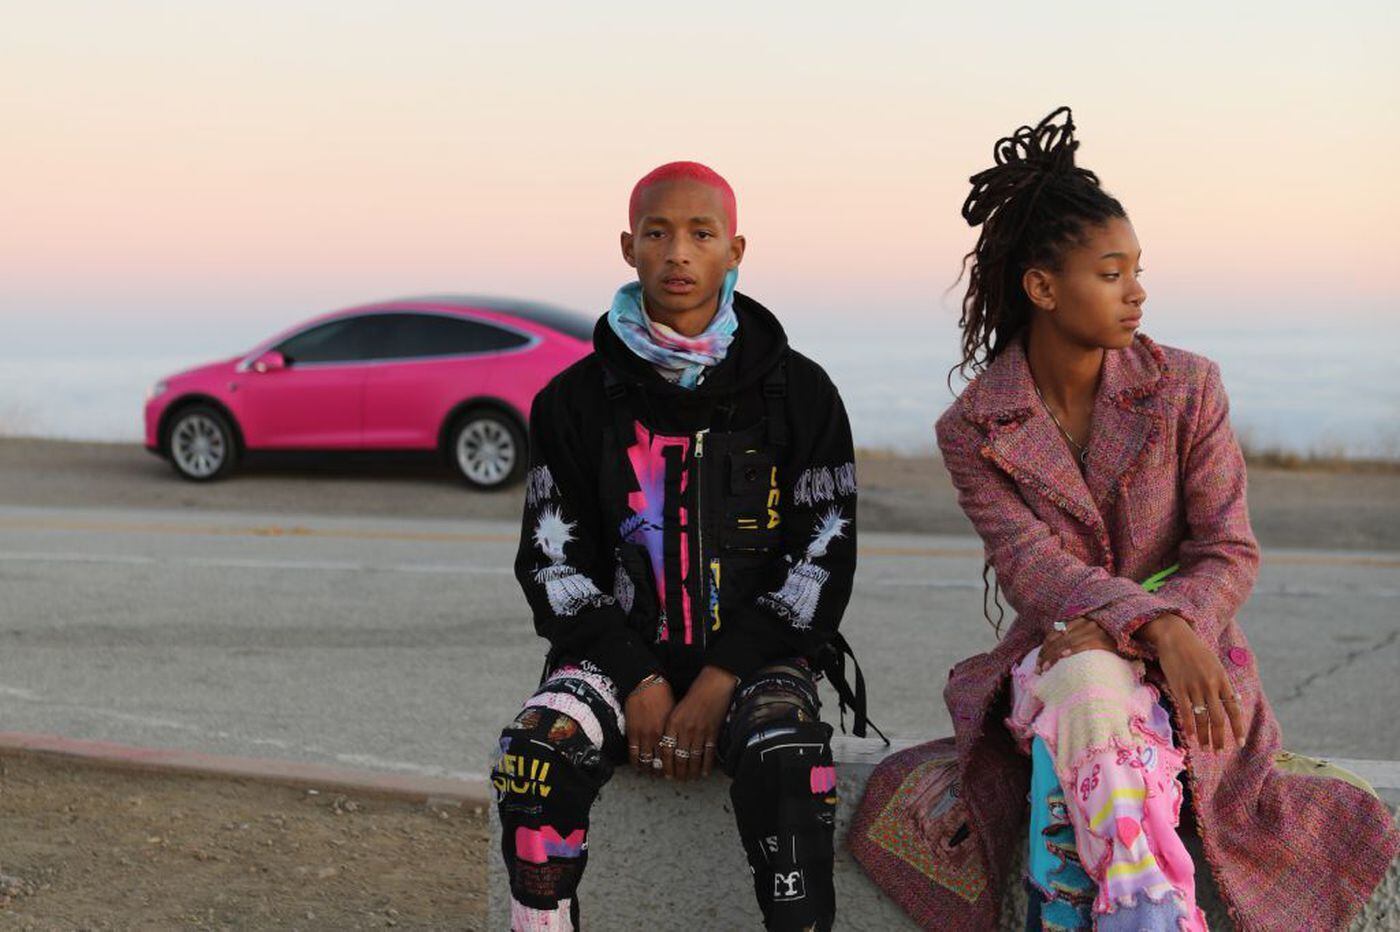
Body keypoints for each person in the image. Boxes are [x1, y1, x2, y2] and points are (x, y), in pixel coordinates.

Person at [927, 108, 1399, 929]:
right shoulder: (975, 427)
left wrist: (1164, 628)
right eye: (1111, 273)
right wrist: (1154, 626)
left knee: (1085, 700)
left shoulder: (1187, 387)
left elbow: (1228, 548)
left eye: (1138, 270)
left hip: (1193, 663)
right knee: (1085, 684)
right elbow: (1031, 567)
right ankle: (1148, 912)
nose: (1137, 291)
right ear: (1043, 288)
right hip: (1064, 653)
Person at [493, 161, 869, 931]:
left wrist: (720, 680)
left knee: (791, 767)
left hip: (760, 663)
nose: (678, 253)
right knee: (534, 759)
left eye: (702, 234)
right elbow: (552, 563)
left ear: (736, 250)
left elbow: (821, 560)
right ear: (628, 247)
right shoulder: (571, 400)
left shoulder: (800, 394)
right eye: (657, 233)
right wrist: (637, 678)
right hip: (608, 663)